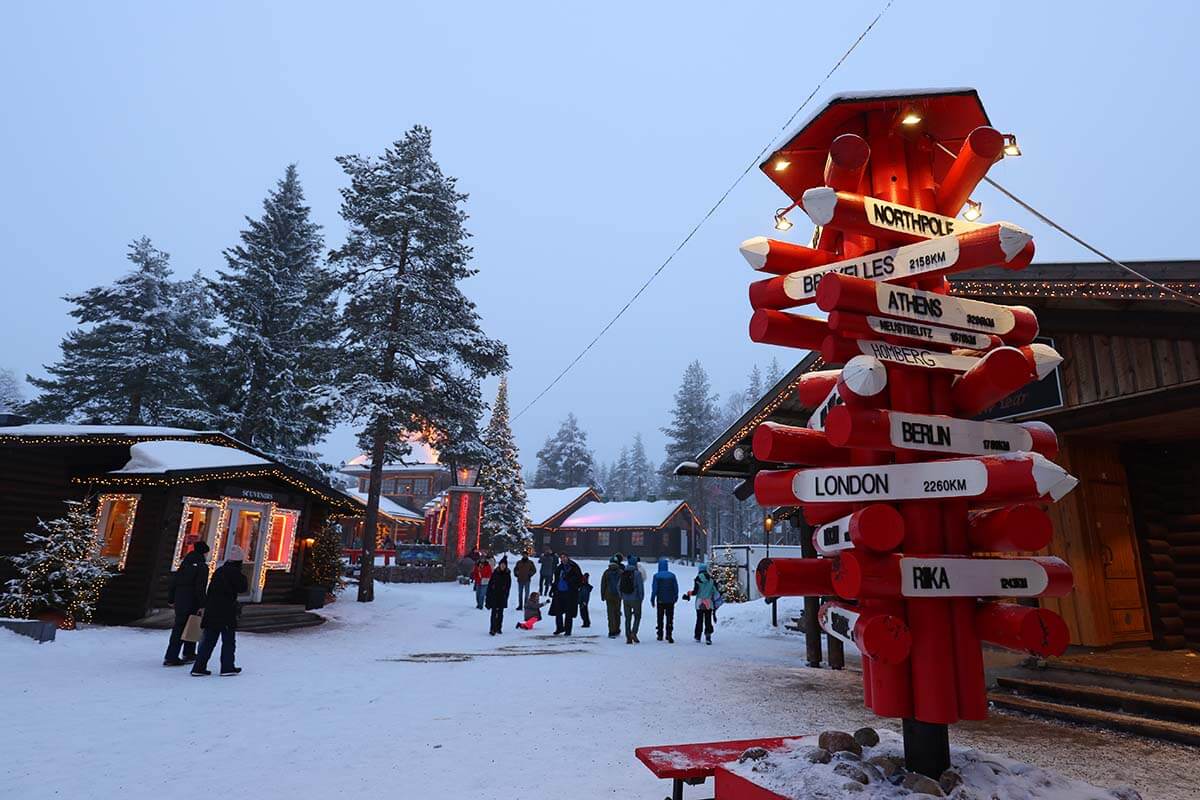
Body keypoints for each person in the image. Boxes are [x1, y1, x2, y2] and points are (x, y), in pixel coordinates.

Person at [191, 545, 250, 676]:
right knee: (228, 640)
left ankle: (198, 667)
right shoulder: (236, 573)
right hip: (227, 611)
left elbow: (210, 590)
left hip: (212, 610)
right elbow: (243, 587)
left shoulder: (219, 571)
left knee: (208, 640)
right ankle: (227, 667)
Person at [164, 541, 210, 666]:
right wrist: (202, 604)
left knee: (179, 626)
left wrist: (171, 598)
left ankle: (177, 653)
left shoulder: (184, 564)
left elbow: (174, 582)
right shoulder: (202, 567)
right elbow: (200, 587)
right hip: (193, 601)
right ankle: (177, 655)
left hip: (180, 599)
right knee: (192, 625)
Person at [683, 563, 719, 645]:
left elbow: (695, 592)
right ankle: (708, 637)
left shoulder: (697, 579)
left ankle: (697, 636)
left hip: (699, 602)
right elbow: (715, 590)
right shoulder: (711, 579)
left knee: (699, 619)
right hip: (708, 602)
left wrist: (689, 593)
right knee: (708, 619)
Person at [548, 552, 583, 635]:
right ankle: (559, 628)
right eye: (561, 557)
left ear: (568, 557)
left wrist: (569, 579)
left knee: (569, 613)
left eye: (564, 557)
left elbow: (579, 579)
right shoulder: (559, 568)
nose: (563, 559)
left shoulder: (574, 567)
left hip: (570, 593)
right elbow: (556, 580)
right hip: (559, 592)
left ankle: (568, 630)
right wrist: (553, 589)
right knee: (558, 612)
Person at [649, 557, 679, 644]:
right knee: (670, 617)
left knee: (660, 617)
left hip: (660, 600)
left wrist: (652, 599)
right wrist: (675, 596)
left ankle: (660, 634)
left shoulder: (657, 576)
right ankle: (669, 634)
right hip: (670, 600)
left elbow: (654, 589)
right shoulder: (672, 576)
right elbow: (676, 588)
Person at [619, 554, 645, 644]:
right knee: (637, 617)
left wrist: (622, 596)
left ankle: (628, 637)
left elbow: (619, 586)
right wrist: (641, 598)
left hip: (626, 599)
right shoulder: (637, 574)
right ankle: (633, 633)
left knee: (627, 618)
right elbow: (640, 587)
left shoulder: (623, 573)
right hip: (636, 599)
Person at [486, 557, 512, 635]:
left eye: (504, 565)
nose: (502, 566)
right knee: (494, 613)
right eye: (501, 565)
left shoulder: (507, 574)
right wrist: (488, 595)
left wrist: (506, 595)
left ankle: (498, 627)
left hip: (502, 596)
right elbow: (490, 585)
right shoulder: (495, 573)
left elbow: (508, 586)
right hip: (494, 595)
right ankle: (492, 628)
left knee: (500, 613)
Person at [600, 555, 624, 638]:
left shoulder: (606, 572)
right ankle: (617, 629)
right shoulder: (621, 572)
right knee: (617, 613)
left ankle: (611, 631)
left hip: (608, 595)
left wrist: (602, 595)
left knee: (610, 614)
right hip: (618, 595)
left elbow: (603, 584)